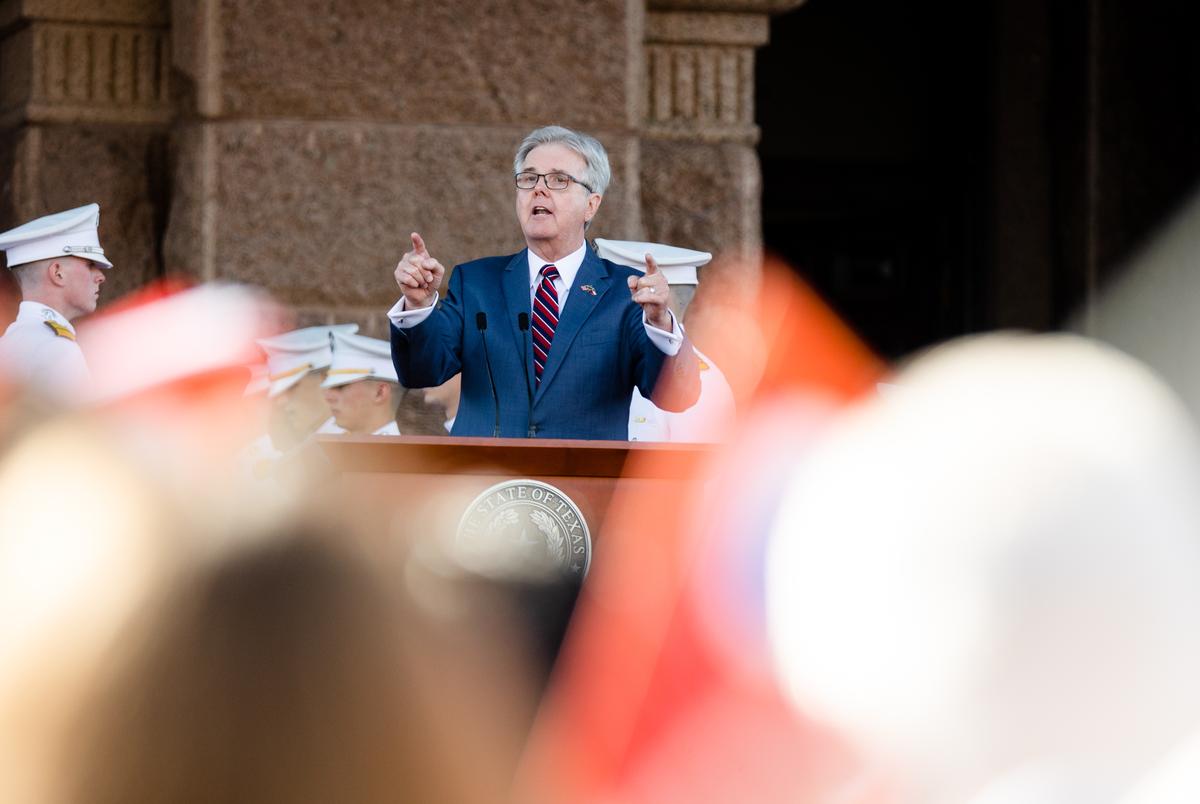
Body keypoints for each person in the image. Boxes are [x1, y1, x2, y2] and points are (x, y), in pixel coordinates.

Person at [388, 125, 700, 440]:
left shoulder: (623, 291)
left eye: (558, 180)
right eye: (528, 178)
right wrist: (417, 306)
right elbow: (421, 372)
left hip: (582, 484)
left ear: (591, 204)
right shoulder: (477, 283)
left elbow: (677, 396)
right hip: (488, 480)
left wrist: (660, 323)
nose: (539, 189)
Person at [0, 204, 111, 400]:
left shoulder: (7, 344)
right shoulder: (58, 350)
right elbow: (79, 430)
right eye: (90, 264)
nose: (100, 276)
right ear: (57, 272)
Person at [321, 330, 402, 436]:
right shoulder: (330, 442)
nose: (328, 397)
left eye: (341, 386)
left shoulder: (395, 452)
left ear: (380, 392)